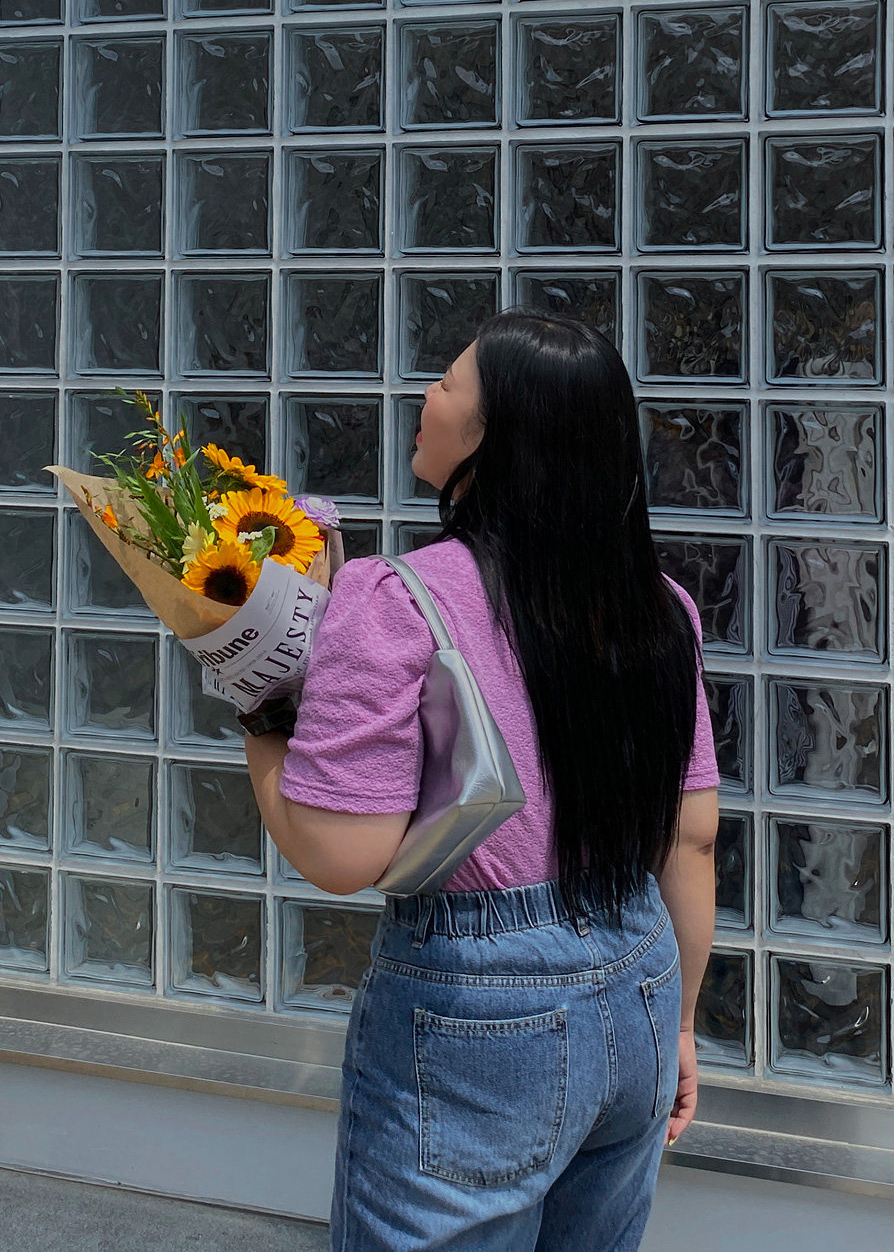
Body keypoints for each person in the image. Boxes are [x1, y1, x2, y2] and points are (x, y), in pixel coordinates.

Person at [244, 309, 720, 1252]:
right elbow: (693, 835)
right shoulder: (662, 609)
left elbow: (342, 853)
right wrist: (678, 1024)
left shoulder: (394, 597)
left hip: (478, 1011)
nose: (426, 394)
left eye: (448, 380)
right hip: (642, 981)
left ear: (495, 436)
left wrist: (260, 706)